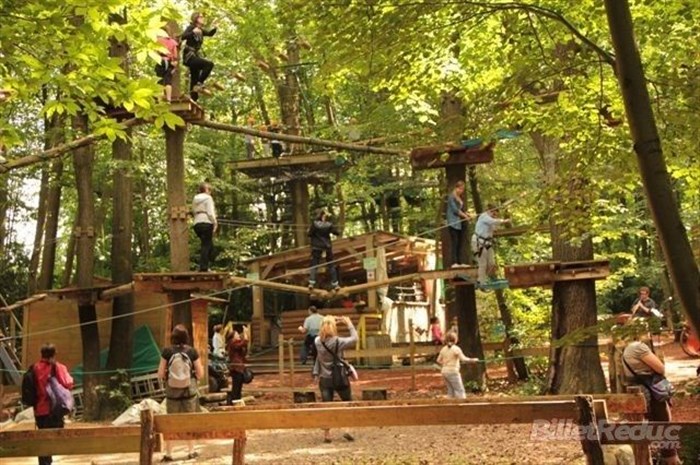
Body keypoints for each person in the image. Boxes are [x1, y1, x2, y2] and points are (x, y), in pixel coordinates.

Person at [622, 328, 681, 464]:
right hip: (652, 392)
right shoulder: (638, 347)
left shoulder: (627, 349)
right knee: (664, 425)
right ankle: (671, 460)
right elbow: (660, 368)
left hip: (640, 391)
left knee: (650, 429)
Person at [157, 324, 204, 462]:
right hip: (189, 392)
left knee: (171, 422)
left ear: (173, 337)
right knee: (189, 421)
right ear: (186, 337)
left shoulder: (167, 351)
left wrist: (168, 377)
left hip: (172, 393)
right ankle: (191, 451)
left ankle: (169, 453)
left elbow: (160, 373)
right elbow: (200, 374)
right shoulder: (192, 352)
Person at [313, 315, 357, 443]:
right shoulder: (338, 341)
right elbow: (354, 339)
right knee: (347, 402)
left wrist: (316, 372)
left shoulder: (317, 341)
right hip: (339, 377)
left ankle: (327, 434)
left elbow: (319, 358)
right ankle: (347, 429)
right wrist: (348, 323)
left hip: (325, 379)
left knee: (327, 406)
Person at [32, 343, 74, 465]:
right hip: (54, 410)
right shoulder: (58, 367)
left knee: (42, 439)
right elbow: (68, 383)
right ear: (54, 354)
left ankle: (45, 463)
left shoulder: (34, 368)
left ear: (41, 354)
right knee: (53, 438)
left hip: (39, 410)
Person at [181, 12, 217, 101]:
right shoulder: (191, 27)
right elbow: (183, 36)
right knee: (209, 64)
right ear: (196, 19)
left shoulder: (200, 30)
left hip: (194, 55)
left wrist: (215, 27)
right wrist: (192, 32)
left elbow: (210, 33)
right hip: (189, 56)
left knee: (194, 77)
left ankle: (193, 98)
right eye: (201, 17)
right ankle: (199, 83)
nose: (203, 18)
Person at [473, 204, 511, 286]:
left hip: (487, 243)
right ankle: (481, 281)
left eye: (496, 215)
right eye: (494, 214)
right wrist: (504, 221)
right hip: (479, 242)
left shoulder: (491, 219)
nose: (494, 216)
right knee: (483, 263)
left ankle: (490, 278)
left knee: (491, 262)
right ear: (490, 211)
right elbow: (493, 221)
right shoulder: (484, 216)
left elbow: (494, 227)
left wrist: (497, 224)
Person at [437, 332, 478, 399]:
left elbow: (438, 360)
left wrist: (445, 364)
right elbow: (463, 359)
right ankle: (462, 404)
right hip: (453, 371)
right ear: (455, 340)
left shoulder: (443, 349)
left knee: (451, 391)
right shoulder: (456, 349)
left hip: (444, 371)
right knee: (460, 390)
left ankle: (450, 403)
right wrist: (473, 360)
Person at [308, 208, 341, 291]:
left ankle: (311, 283)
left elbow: (309, 234)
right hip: (326, 247)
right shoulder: (329, 225)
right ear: (322, 216)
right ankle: (335, 284)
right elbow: (336, 232)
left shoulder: (314, 224)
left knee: (314, 265)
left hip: (316, 247)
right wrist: (336, 228)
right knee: (331, 265)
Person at [446, 181, 472, 268]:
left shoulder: (459, 198)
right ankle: (454, 262)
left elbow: (461, 210)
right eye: (460, 189)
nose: (461, 191)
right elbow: (455, 210)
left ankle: (459, 262)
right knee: (455, 242)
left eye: (462, 189)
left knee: (460, 243)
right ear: (456, 188)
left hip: (459, 224)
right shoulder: (451, 197)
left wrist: (467, 214)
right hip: (453, 222)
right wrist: (465, 216)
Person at [192, 182, 217, 272]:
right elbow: (210, 213)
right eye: (209, 190)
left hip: (197, 224)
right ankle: (204, 267)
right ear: (206, 190)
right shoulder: (208, 198)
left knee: (207, 244)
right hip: (206, 222)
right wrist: (214, 222)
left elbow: (193, 211)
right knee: (206, 245)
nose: (210, 192)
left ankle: (206, 264)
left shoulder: (195, 198)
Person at [226, 324, 249, 405]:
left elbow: (244, 348)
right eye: (236, 334)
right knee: (236, 387)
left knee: (239, 387)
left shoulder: (236, 343)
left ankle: (237, 402)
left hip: (240, 367)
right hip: (236, 368)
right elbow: (244, 342)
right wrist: (245, 333)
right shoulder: (232, 343)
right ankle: (232, 402)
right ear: (233, 337)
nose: (238, 335)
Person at [154, 30, 179, 102]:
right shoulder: (173, 42)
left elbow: (156, 52)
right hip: (170, 62)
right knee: (168, 80)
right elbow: (175, 56)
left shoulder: (159, 40)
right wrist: (174, 66)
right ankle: (168, 99)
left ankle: (159, 99)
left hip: (161, 61)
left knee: (160, 80)